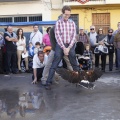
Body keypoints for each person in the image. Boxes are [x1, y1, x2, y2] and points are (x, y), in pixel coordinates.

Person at [45, 6, 80, 90]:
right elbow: (58, 37)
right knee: (54, 63)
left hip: (70, 45)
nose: (67, 16)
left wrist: (69, 48)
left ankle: (79, 80)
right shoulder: (58, 23)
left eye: (69, 14)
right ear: (62, 13)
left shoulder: (72, 23)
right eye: (66, 14)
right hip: (60, 45)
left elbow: (73, 37)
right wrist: (64, 48)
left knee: (74, 62)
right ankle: (48, 82)